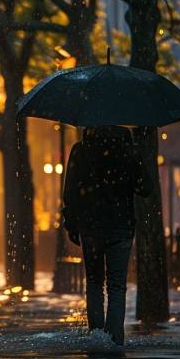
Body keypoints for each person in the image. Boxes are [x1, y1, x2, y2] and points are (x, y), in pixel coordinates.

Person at [63, 126, 153, 346]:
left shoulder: (81, 150)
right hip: (121, 228)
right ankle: (114, 341)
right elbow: (146, 188)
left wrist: (73, 223)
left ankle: (96, 338)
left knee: (94, 283)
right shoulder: (128, 150)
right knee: (116, 286)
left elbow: (69, 193)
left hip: (91, 227)